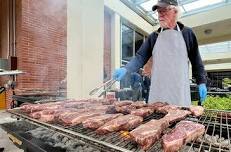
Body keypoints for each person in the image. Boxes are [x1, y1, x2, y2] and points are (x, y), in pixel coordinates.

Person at [113, 0, 207, 107]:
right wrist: (127, 69)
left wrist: (201, 82)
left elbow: (196, 60)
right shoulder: (154, 37)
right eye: (158, 11)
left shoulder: (187, 33)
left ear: (175, 12)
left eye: (164, 10)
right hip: (158, 90)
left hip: (179, 91)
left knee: (179, 118)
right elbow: (140, 57)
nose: (160, 14)